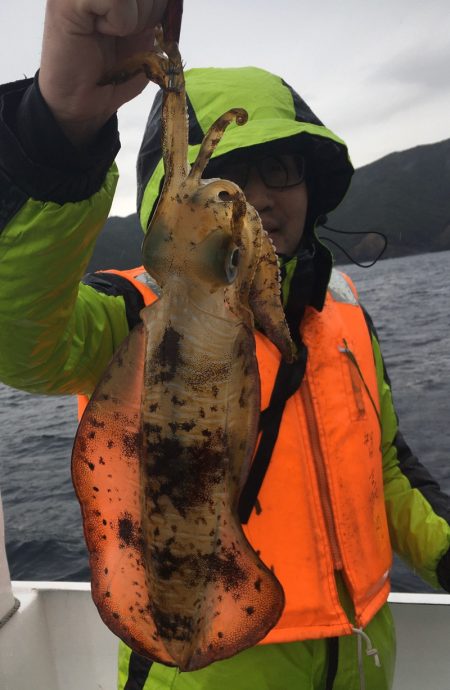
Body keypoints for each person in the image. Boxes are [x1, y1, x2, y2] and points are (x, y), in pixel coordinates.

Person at [0, 1, 449, 689]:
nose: (260, 200)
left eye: (284, 171)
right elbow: (23, 337)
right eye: (235, 173)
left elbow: (382, 470)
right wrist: (59, 129)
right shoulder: (131, 315)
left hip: (361, 658)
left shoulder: (345, 318)